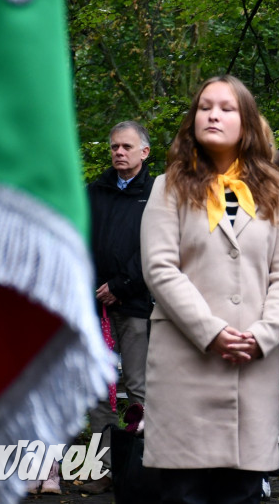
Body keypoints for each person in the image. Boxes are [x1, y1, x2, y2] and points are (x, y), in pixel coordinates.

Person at [140, 75, 279, 504]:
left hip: (252, 363)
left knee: (242, 491)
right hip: (185, 362)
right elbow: (159, 268)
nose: (213, 114)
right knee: (182, 491)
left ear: (246, 122)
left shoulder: (276, 192)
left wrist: (264, 335)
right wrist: (210, 330)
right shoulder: (167, 186)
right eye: (205, 106)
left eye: (227, 108)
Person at [83, 121, 156, 494]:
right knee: (99, 391)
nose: (118, 153)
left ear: (144, 152)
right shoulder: (94, 191)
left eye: (126, 147)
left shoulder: (158, 193)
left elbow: (157, 249)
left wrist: (122, 285)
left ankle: (143, 470)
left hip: (136, 304)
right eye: (114, 147)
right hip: (95, 306)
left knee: (141, 388)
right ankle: (104, 469)